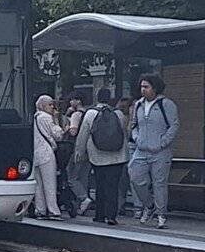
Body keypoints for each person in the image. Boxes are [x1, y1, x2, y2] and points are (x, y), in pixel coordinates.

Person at [128, 74, 179, 229]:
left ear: (155, 88)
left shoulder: (166, 104)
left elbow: (174, 125)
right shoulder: (138, 105)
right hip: (141, 149)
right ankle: (149, 205)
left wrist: (162, 142)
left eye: (146, 86)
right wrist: (136, 138)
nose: (143, 90)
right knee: (134, 176)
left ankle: (161, 214)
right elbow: (134, 125)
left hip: (160, 151)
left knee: (159, 183)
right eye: (142, 86)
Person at [74, 89, 128, 225]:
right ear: (110, 99)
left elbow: (83, 135)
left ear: (97, 98)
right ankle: (111, 215)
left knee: (100, 185)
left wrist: (79, 152)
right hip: (117, 157)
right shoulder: (118, 114)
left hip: (97, 157)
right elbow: (124, 134)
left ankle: (100, 214)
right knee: (113, 186)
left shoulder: (90, 114)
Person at [31, 95, 64, 219]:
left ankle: (40, 210)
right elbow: (57, 134)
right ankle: (53, 210)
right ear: (43, 105)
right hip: (46, 153)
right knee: (50, 183)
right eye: (50, 104)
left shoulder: (34, 117)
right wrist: (58, 122)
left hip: (36, 153)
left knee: (39, 184)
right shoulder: (47, 117)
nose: (52, 107)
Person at [64, 97, 91, 215]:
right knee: (83, 177)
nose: (70, 102)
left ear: (78, 101)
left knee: (72, 177)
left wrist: (67, 121)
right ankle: (83, 204)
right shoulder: (89, 113)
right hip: (88, 150)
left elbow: (73, 131)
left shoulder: (76, 114)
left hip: (76, 148)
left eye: (72, 100)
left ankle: (84, 198)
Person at [116, 96, 136, 215]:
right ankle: (136, 207)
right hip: (127, 151)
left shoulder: (118, 117)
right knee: (129, 180)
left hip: (121, 153)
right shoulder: (125, 118)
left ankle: (120, 205)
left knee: (122, 180)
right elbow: (129, 134)